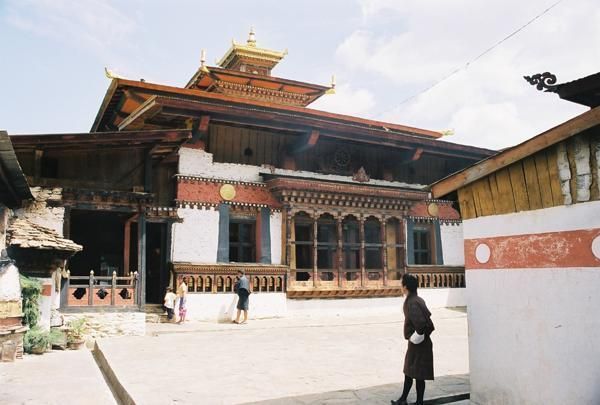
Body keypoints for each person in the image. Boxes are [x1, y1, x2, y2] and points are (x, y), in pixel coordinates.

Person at [392, 274, 435, 405]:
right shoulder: (418, 299)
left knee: (413, 371)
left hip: (418, 343)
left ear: (405, 287)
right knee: (413, 372)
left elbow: (421, 324)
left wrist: (415, 337)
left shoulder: (412, 302)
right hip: (422, 342)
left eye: (402, 284)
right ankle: (406, 399)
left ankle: (414, 401)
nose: (401, 287)